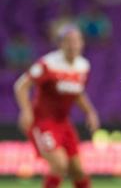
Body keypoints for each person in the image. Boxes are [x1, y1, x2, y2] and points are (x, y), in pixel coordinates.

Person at [14, 24, 100, 188]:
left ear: (82, 43)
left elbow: (77, 92)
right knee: (59, 165)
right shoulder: (47, 64)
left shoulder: (83, 66)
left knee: (78, 171)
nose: (73, 45)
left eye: (76, 41)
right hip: (43, 122)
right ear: (60, 44)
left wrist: (90, 112)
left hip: (64, 123)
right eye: (68, 41)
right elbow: (21, 85)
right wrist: (26, 111)